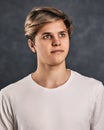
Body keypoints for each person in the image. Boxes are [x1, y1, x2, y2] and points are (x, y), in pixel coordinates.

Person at [0, 6, 104, 130]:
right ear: (32, 45)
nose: (57, 42)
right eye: (47, 36)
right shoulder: (9, 96)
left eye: (62, 34)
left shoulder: (94, 91)